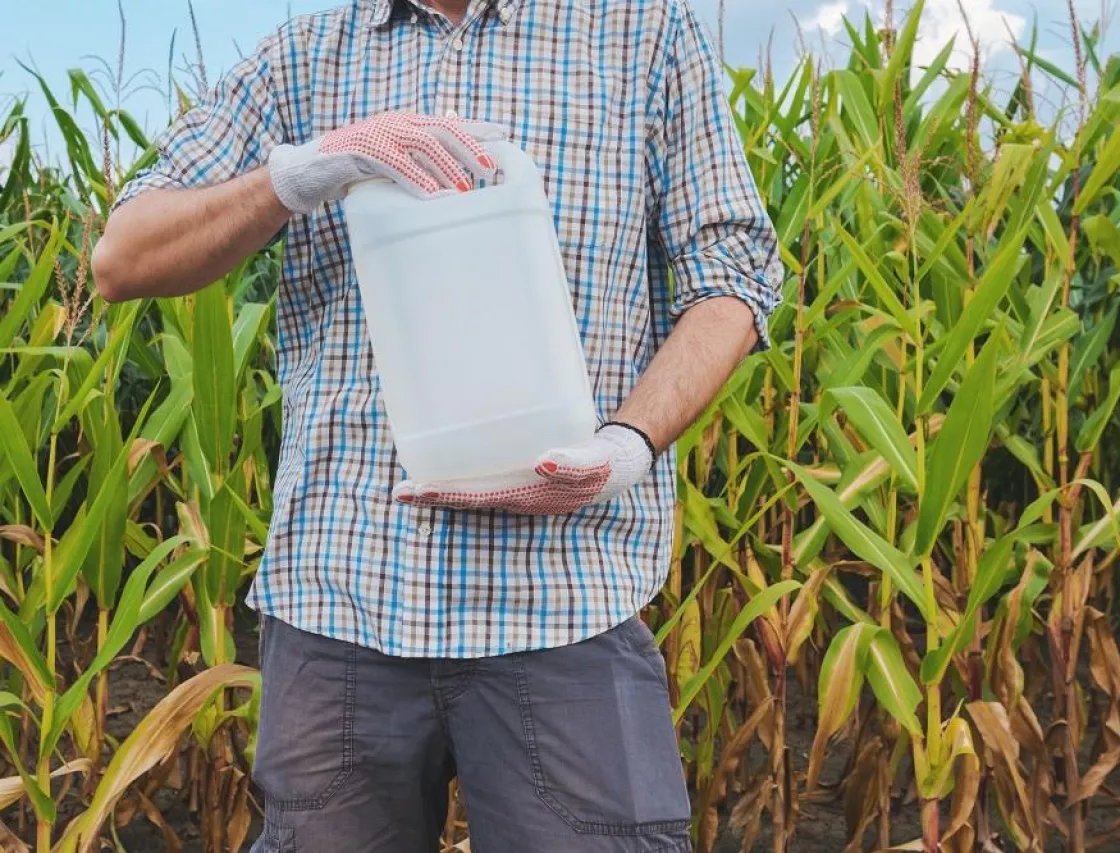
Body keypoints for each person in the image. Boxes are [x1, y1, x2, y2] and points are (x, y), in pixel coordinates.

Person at [93, 0, 781, 850]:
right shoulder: (305, 56)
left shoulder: (643, 35)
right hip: (342, 605)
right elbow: (122, 256)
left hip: (564, 598)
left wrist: (628, 446)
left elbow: (735, 276)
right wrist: (297, 176)